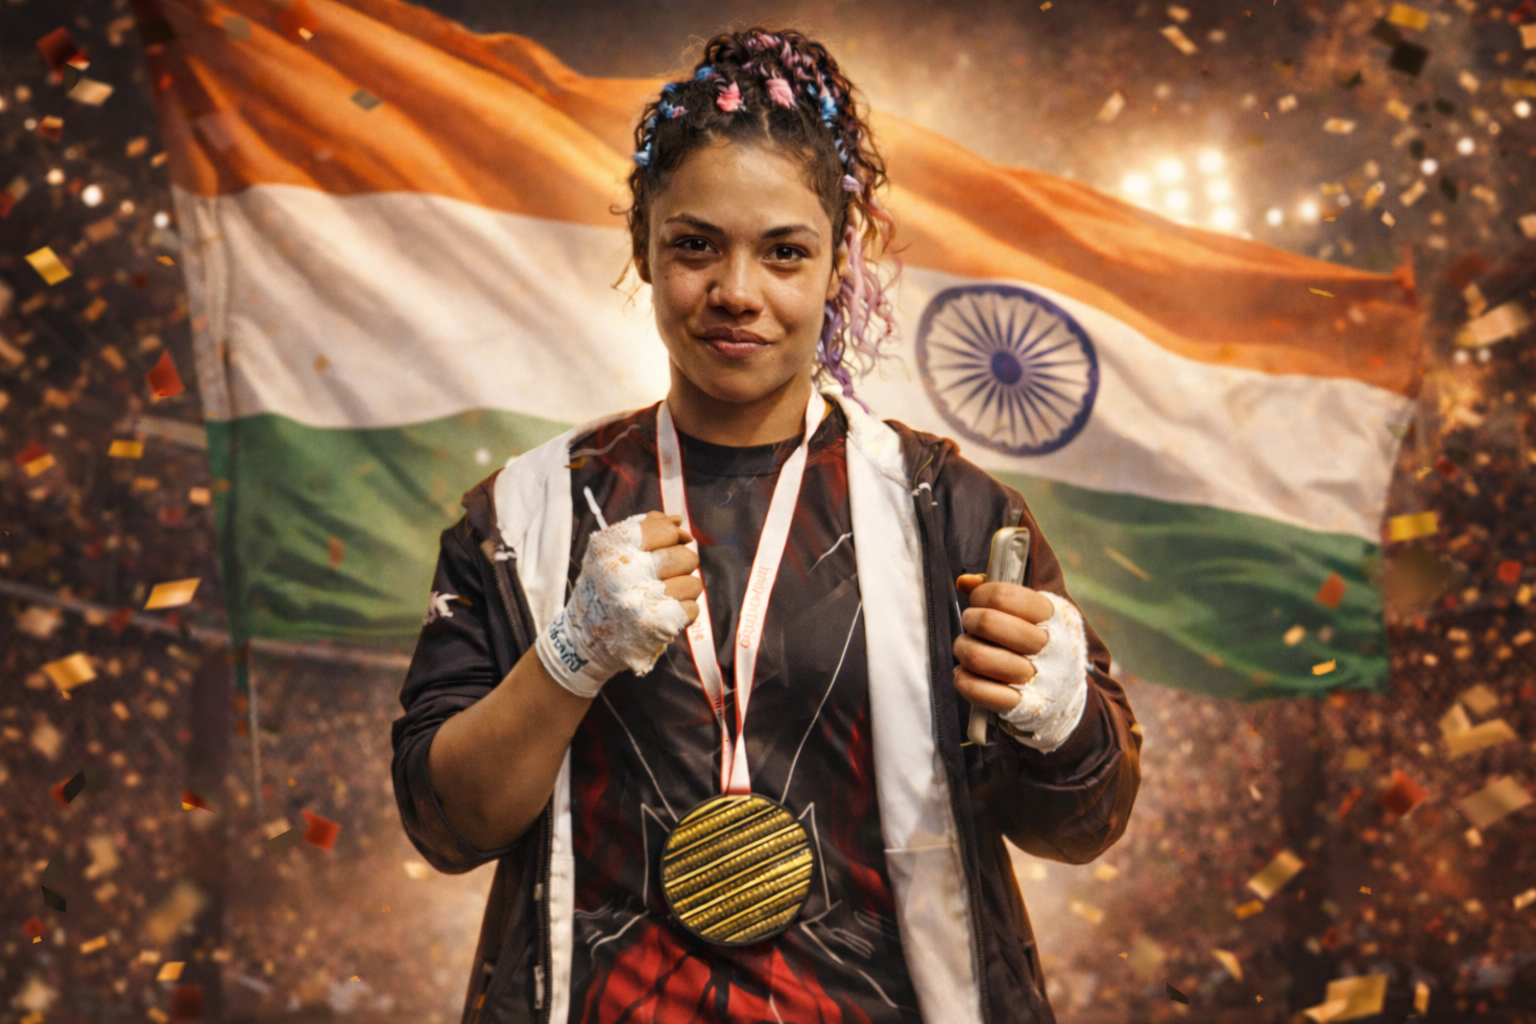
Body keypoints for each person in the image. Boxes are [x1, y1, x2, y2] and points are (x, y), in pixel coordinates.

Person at [393, 27, 1140, 1024]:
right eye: (696, 244)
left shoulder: (951, 511)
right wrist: (567, 657)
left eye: (784, 252)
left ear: (837, 266)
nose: (736, 292)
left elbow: (1081, 827)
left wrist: (1062, 722)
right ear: (643, 253)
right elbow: (447, 826)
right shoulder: (524, 514)